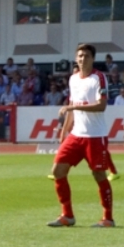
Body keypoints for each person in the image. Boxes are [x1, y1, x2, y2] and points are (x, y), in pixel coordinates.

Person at [48, 44, 115, 228]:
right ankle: (67, 215)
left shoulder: (98, 78)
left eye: (86, 56)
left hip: (95, 136)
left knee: (99, 174)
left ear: (92, 58)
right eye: (79, 56)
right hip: (76, 135)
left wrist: (74, 107)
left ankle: (108, 218)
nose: (82, 59)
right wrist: (65, 130)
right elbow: (72, 104)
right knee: (57, 171)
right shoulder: (73, 79)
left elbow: (101, 106)